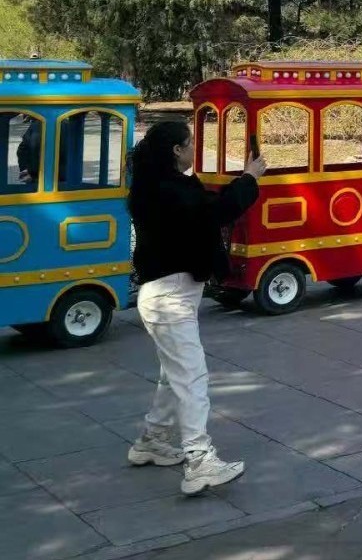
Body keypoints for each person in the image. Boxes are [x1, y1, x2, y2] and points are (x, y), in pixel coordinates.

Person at [127, 121, 263, 495]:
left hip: (168, 294)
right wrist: (249, 178)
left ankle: (151, 441)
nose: (193, 151)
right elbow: (213, 214)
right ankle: (199, 460)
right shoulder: (169, 189)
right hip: (169, 296)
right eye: (190, 144)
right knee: (192, 377)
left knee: (174, 376)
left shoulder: (155, 184)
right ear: (176, 150)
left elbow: (203, 210)